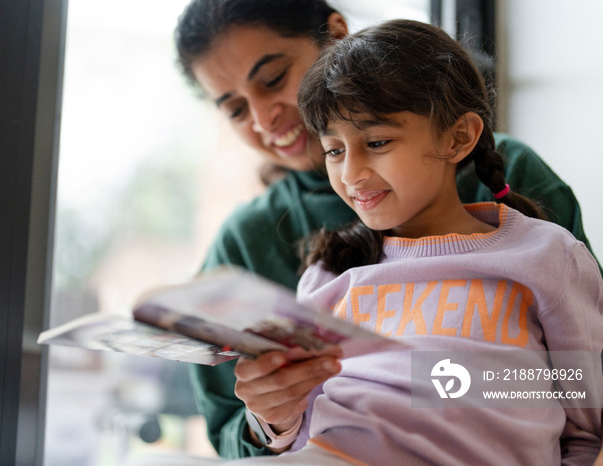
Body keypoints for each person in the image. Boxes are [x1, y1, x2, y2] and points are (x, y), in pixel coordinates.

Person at [173, 0, 603, 459]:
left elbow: (581, 397)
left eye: (274, 79)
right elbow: (258, 430)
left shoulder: (535, 232)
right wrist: (271, 417)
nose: (263, 119)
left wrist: (452, 388)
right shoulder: (301, 261)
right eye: (236, 109)